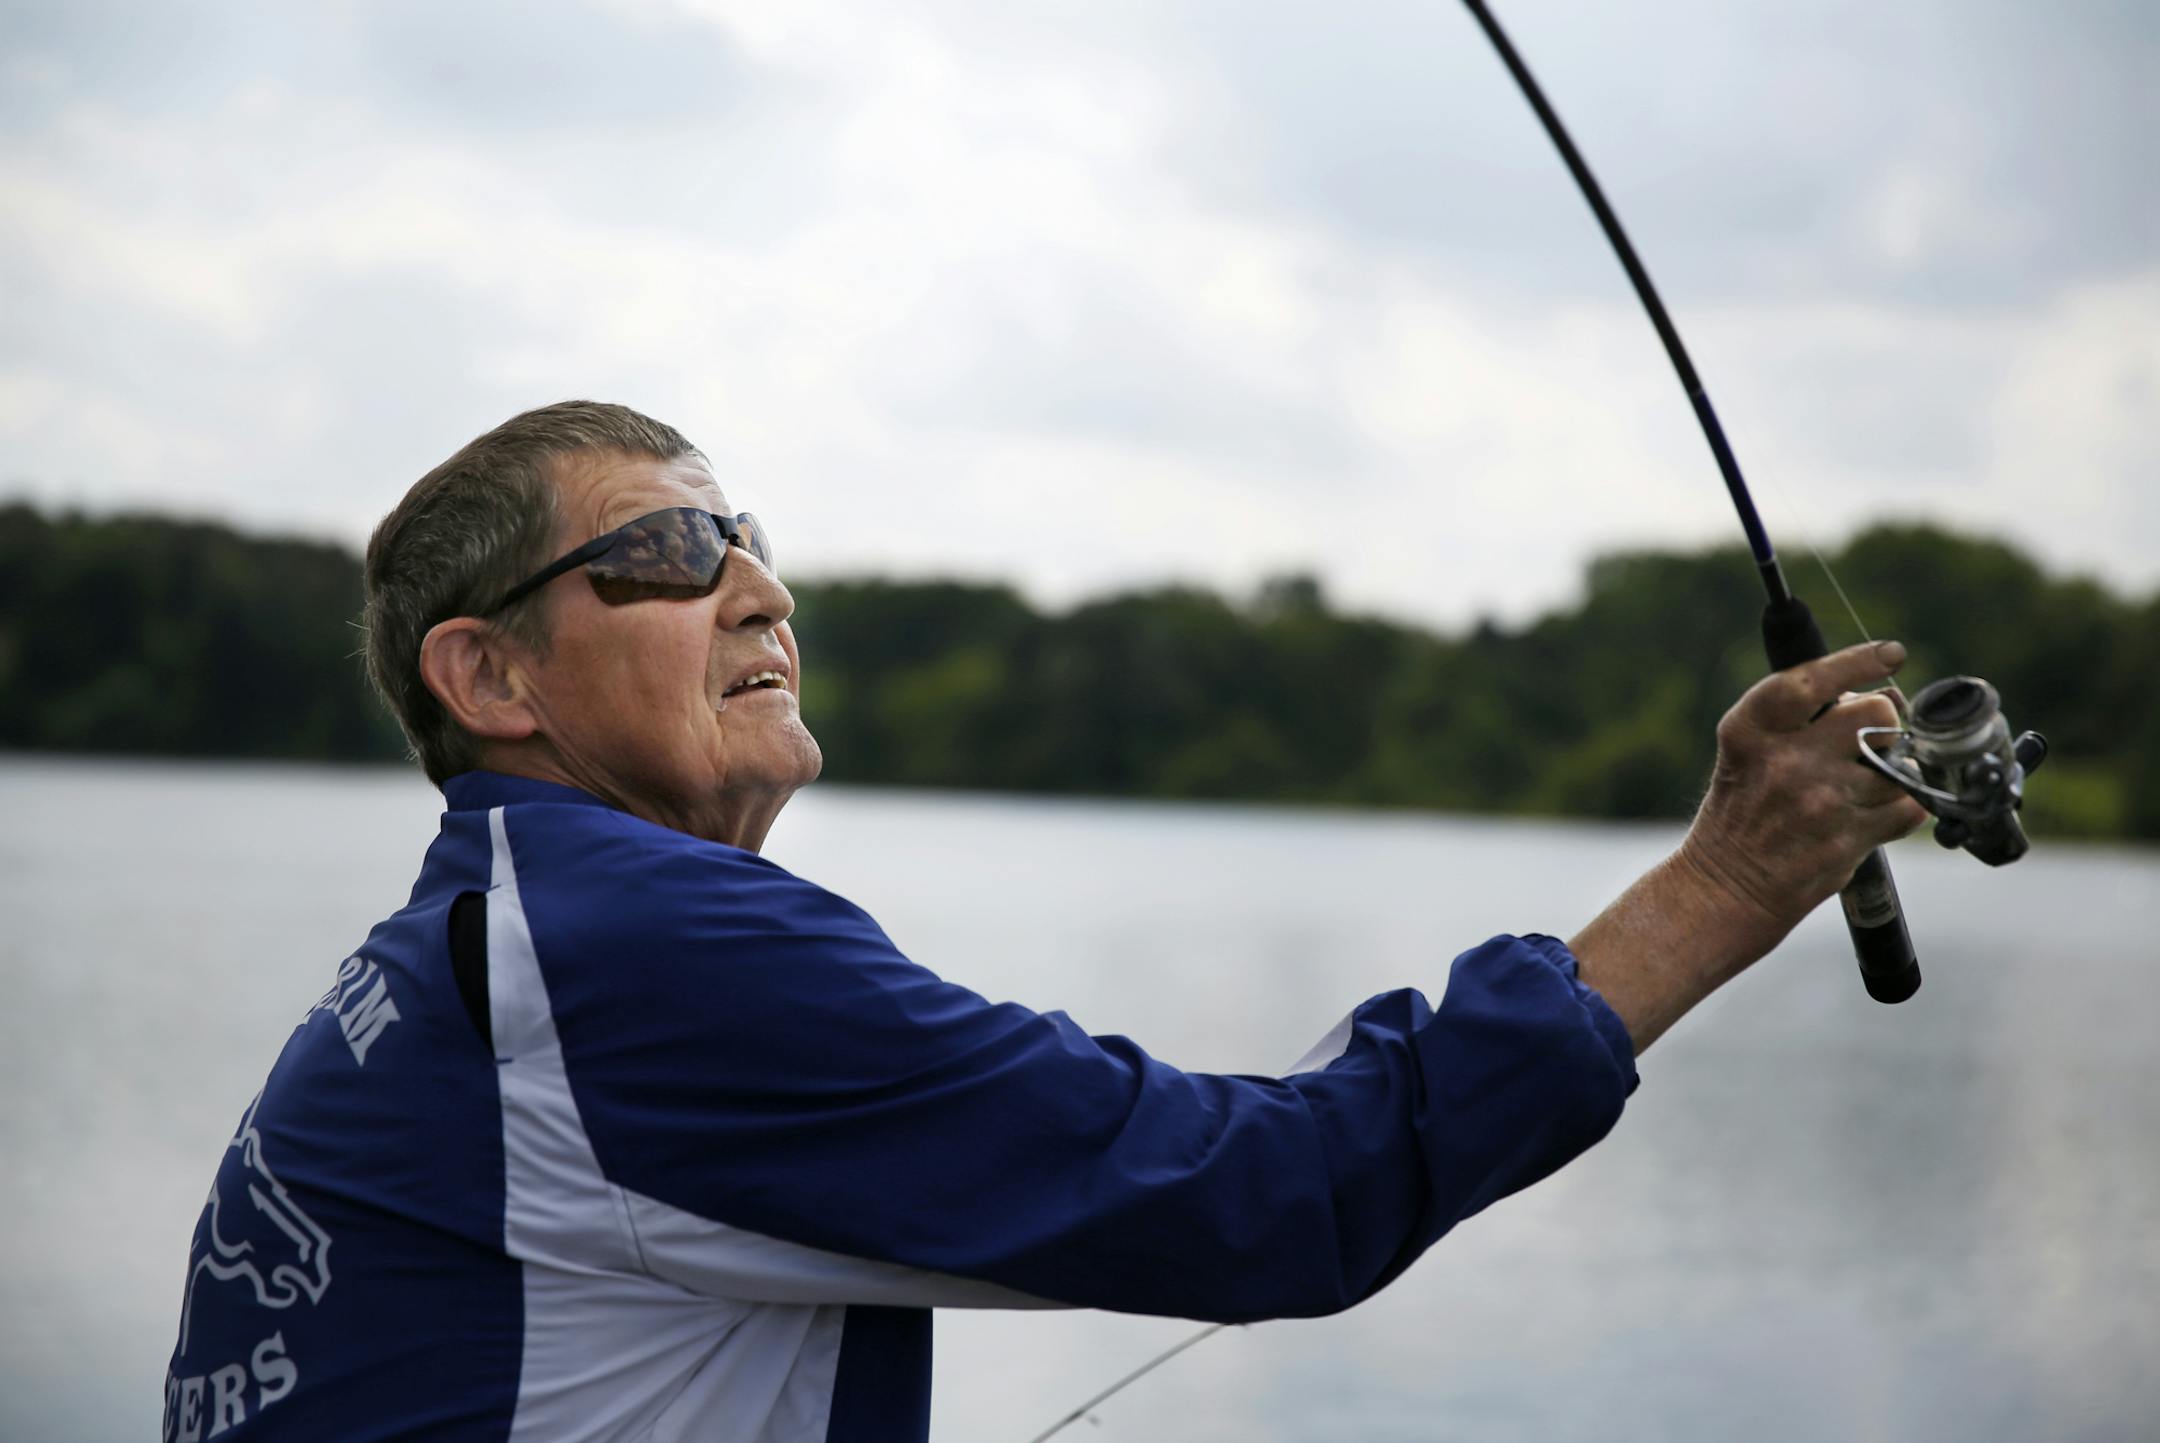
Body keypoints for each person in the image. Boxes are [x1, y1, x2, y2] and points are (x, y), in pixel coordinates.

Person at [164, 401, 1925, 1442]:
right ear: (487, 675)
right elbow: (1279, 1197)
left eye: (752, 541)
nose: (758, 586)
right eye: (670, 550)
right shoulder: (629, 948)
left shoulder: (476, 938)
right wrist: (1732, 876)